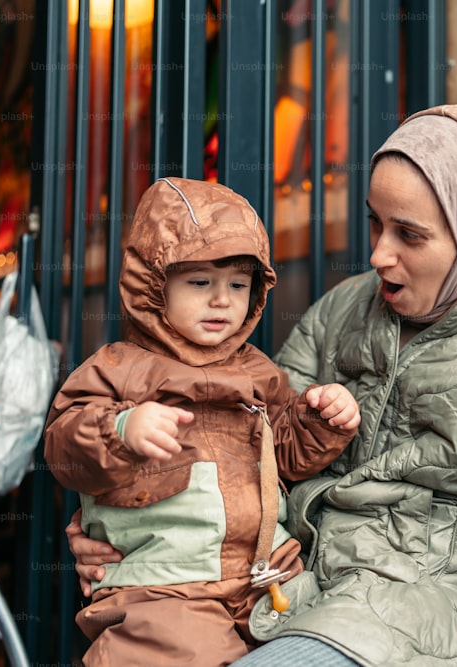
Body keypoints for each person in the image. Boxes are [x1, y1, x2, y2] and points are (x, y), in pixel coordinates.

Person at [67, 105, 457, 667]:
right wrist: (142, 519)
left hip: (433, 610)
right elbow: (254, 446)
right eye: (376, 224)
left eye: (410, 235)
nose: (379, 255)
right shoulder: (347, 309)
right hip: (294, 590)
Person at [44, 177, 361, 667]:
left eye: (238, 285)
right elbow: (65, 449)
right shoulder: (117, 368)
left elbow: (290, 458)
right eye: (200, 283)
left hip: (270, 577)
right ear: (153, 286)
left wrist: (323, 420)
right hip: (167, 586)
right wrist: (121, 430)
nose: (222, 301)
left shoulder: (257, 370)